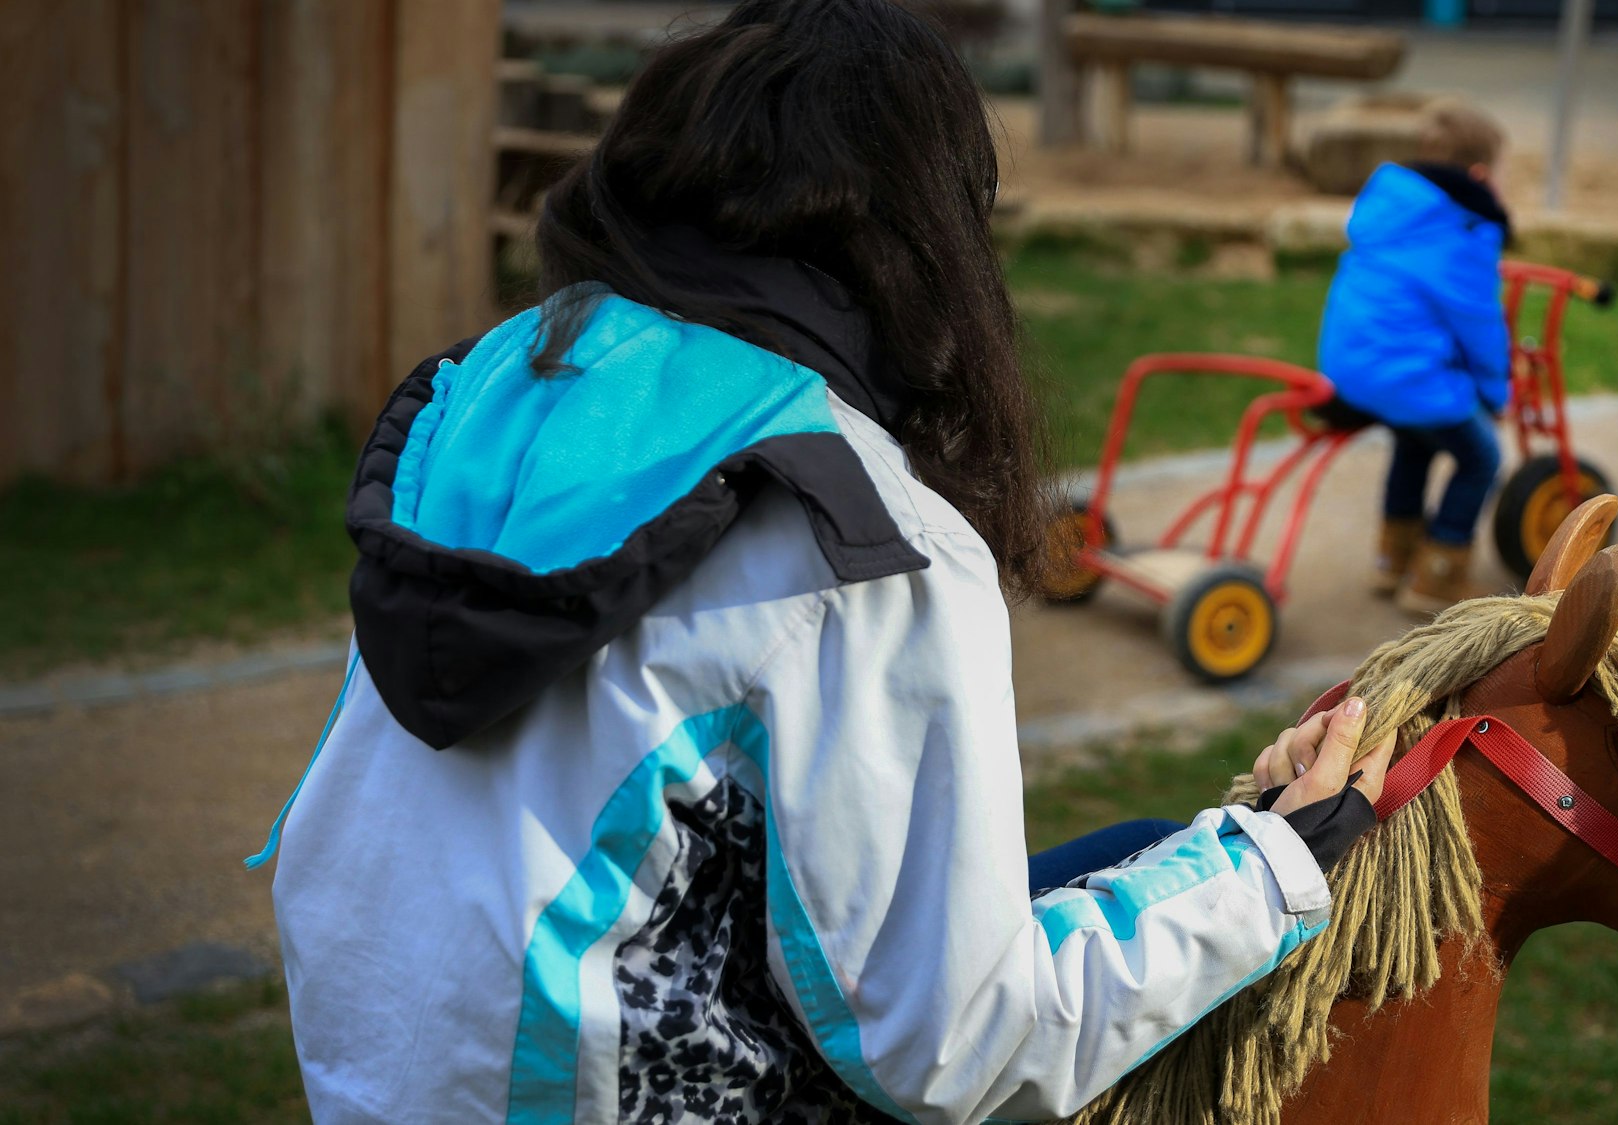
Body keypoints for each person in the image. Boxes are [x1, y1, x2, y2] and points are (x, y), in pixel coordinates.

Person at [259, 3, 1391, 1121]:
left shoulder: (506, 381)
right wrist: (1278, 861)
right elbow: (956, 1052)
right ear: (925, 236)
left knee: (1146, 851)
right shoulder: (855, 529)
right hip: (603, 1091)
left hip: (387, 1074)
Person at [1316, 102, 1514, 614]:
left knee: (1416, 438)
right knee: (1482, 456)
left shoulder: (1390, 204)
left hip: (1348, 367)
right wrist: (1496, 393)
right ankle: (1438, 576)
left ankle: (1392, 559)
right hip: (1399, 375)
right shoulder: (1461, 230)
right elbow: (1479, 324)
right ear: (1479, 174)